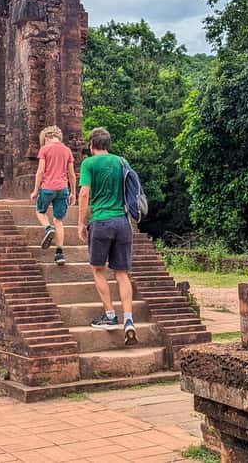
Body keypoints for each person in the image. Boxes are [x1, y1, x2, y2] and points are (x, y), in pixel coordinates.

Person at [77, 127, 137, 345]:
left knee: (98, 269)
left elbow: (84, 193)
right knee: (122, 273)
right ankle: (129, 320)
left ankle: (111, 316)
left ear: (92, 145)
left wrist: (81, 223)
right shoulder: (120, 162)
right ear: (108, 144)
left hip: (101, 221)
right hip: (122, 222)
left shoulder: (89, 164)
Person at [30, 126, 76, 265]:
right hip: (63, 189)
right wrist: (73, 192)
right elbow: (72, 175)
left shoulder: (44, 149)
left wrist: (35, 190)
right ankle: (59, 254)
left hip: (47, 188)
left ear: (46, 137)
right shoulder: (67, 150)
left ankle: (48, 228)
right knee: (59, 221)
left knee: (40, 211)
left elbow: (40, 171)